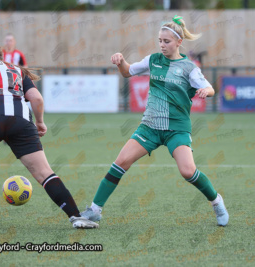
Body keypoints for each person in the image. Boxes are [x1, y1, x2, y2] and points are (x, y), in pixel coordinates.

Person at [81, 15, 229, 226]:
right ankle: (95, 210)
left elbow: (211, 88)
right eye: (160, 40)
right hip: (150, 126)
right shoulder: (153, 61)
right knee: (120, 162)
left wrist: (206, 89)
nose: (162, 45)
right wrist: (121, 62)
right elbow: (127, 72)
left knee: (187, 171)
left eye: (166, 41)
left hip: (176, 128)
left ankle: (216, 201)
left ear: (179, 42)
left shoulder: (189, 68)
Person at [0, 43, 98, 231]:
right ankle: (76, 217)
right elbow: (37, 98)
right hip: (21, 122)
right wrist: (39, 122)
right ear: (1, 57)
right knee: (44, 173)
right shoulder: (17, 70)